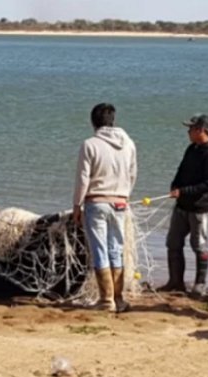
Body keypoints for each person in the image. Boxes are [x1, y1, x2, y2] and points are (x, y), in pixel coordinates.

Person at [73, 103, 137, 312]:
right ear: (113, 120)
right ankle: (118, 299)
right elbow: (132, 173)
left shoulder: (89, 144)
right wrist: (125, 194)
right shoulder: (128, 144)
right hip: (120, 201)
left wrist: (77, 204)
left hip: (97, 201)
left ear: (94, 122)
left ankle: (106, 300)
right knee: (116, 248)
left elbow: (83, 178)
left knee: (100, 249)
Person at [160, 114, 208, 297]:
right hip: (182, 206)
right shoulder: (192, 148)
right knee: (173, 243)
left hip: (200, 208)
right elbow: (181, 170)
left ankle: (200, 285)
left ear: (200, 130)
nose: (188, 132)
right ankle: (175, 282)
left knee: (199, 246)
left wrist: (183, 191)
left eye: (190, 129)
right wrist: (175, 185)